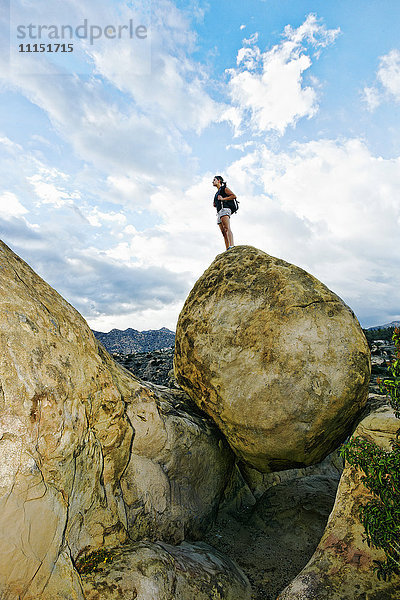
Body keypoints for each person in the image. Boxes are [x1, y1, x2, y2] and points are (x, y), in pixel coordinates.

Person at [212, 175, 236, 250]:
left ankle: (231, 246)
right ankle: (227, 248)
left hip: (225, 209)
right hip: (219, 212)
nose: (212, 181)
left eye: (214, 180)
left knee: (227, 228)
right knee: (223, 232)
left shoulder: (224, 188)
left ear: (219, 181)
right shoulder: (217, 193)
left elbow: (233, 196)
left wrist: (223, 199)